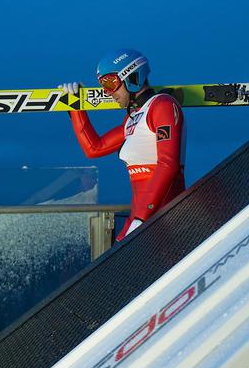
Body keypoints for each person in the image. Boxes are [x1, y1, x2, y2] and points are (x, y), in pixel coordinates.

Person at [59, 49, 186, 241]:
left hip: (166, 216)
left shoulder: (162, 106)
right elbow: (94, 148)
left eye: (110, 83)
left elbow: (168, 164)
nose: (108, 92)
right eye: (103, 86)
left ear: (132, 76)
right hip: (140, 216)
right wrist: (76, 108)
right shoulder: (132, 119)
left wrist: (142, 218)